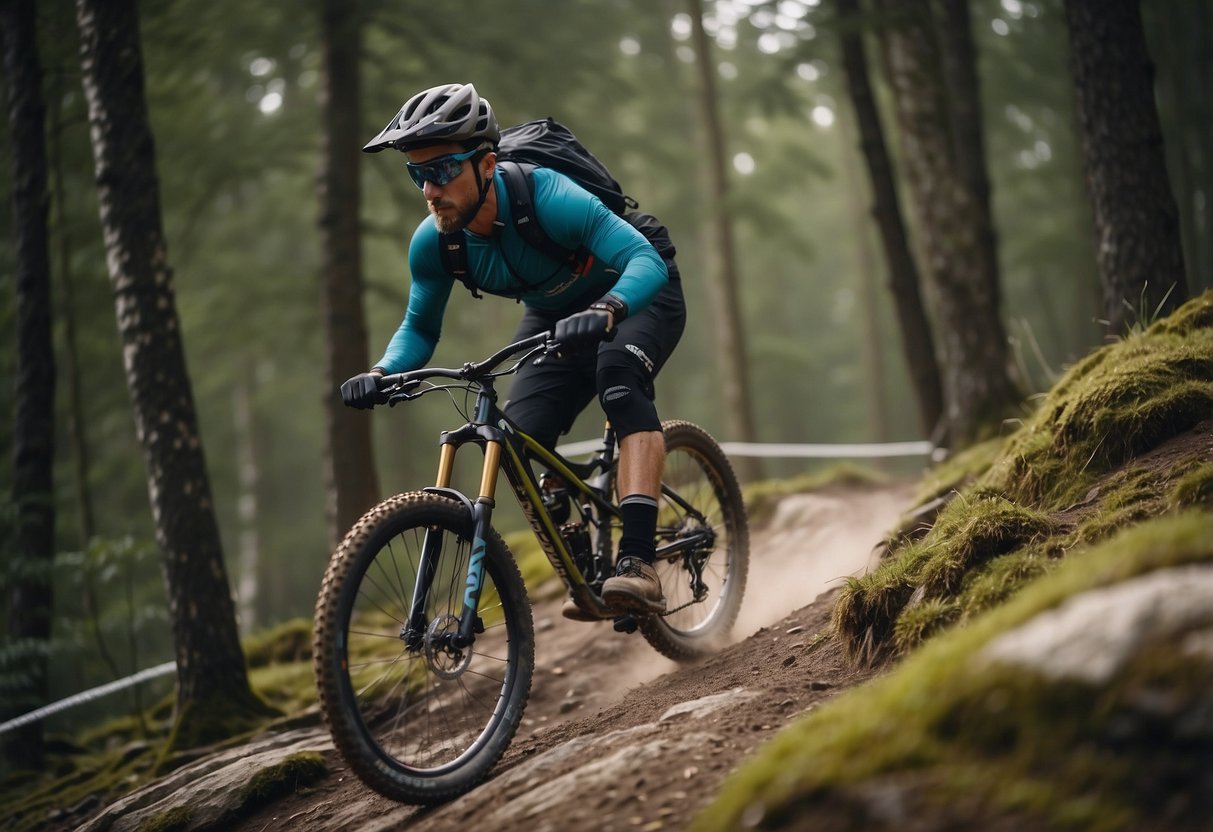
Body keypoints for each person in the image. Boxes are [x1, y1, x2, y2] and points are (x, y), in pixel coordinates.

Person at [342, 83, 686, 620]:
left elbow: (644, 259)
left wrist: (610, 309)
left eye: (441, 171)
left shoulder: (547, 197)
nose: (429, 190)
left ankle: (639, 562)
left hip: (634, 284)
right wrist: (382, 372)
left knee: (618, 376)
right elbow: (418, 327)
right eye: (417, 175)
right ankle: (580, 556)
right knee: (519, 432)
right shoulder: (435, 242)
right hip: (556, 310)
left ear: (486, 164)